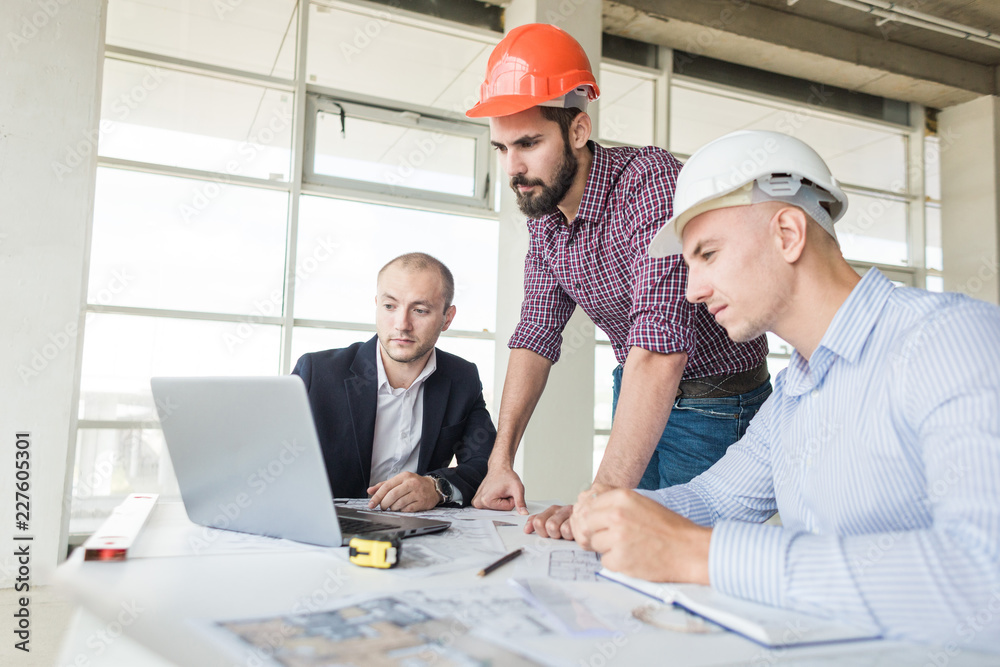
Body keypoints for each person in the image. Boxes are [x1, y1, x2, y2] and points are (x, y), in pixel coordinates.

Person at [570, 129, 1000, 650]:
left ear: (788, 234)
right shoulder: (794, 392)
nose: (692, 290)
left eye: (708, 253)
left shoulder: (949, 341)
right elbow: (714, 498)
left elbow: (984, 578)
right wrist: (612, 515)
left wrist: (698, 555)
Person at [465, 23, 770, 536]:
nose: (513, 168)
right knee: (624, 552)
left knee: (682, 566)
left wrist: (599, 497)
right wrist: (501, 460)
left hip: (714, 404)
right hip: (636, 389)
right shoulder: (544, 219)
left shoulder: (648, 183)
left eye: (528, 143)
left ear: (578, 131)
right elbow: (534, 335)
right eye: (500, 148)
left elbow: (660, 342)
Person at [292, 252, 496, 512]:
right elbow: (269, 460)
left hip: (417, 531)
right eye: (390, 307)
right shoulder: (316, 373)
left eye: (420, 310)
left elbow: (485, 464)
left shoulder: (462, 378)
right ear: (377, 305)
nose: (402, 325)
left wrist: (436, 487)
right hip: (326, 527)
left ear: (447, 318)